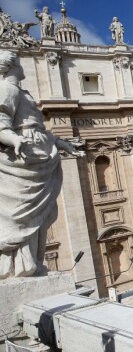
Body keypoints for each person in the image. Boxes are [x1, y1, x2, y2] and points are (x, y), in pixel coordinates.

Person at [0, 51, 83, 279]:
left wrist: (61, 143)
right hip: (25, 158)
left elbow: (38, 130)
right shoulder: (7, 89)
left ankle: (33, 263)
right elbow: (1, 123)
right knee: (23, 217)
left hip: (39, 153)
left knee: (43, 216)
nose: (23, 64)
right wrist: (14, 139)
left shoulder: (23, 93)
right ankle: (18, 266)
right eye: (18, 61)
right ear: (12, 66)